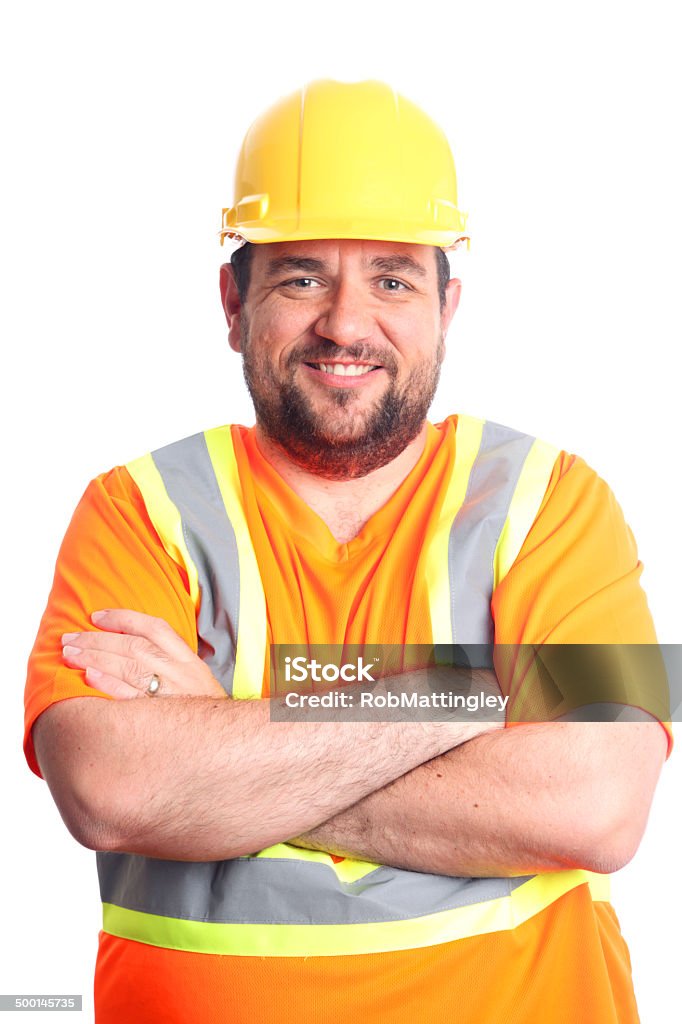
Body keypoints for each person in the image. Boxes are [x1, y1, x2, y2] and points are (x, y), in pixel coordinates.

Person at [24, 79, 670, 1024]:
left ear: (448, 306)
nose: (346, 323)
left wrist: (232, 746)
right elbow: (111, 787)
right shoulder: (137, 510)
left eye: (393, 278)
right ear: (233, 302)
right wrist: (469, 693)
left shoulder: (556, 501)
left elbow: (601, 805)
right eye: (301, 277)